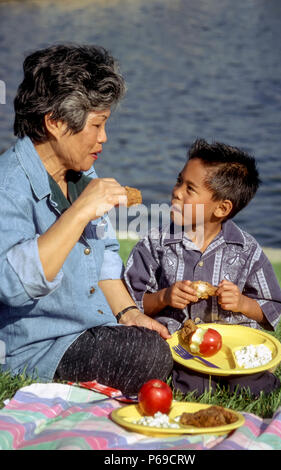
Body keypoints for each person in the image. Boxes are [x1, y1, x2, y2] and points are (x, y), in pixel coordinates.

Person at [0, 44, 173, 394]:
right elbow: (12, 286)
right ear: (55, 122)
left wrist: (129, 314)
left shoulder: (82, 173)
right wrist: (79, 212)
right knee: (146, 354)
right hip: (37, 350)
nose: (104, 138)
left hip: (95, 329)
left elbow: (106, 260)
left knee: (165, 332)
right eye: (97, 124)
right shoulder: (8, 185)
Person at [124, 139, 281, 396]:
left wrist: (242, 303)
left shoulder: (247, 250)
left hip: (231, 345)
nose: (177, 192)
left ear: (221, 208)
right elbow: (128, 303)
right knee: (190, 385)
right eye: (179, 182)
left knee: (251, 386)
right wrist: (164, 297)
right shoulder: (155, 244)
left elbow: (271, 308)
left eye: (190, 189)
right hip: (178, 342)